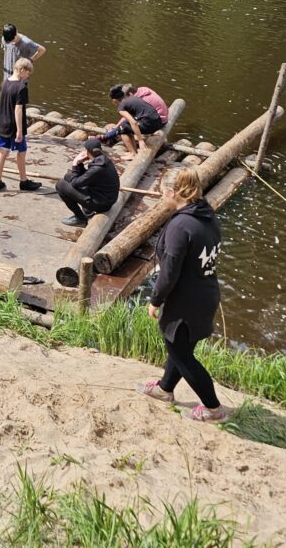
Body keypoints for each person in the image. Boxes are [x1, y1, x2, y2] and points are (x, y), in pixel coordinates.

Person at [137, 168, 226, 423]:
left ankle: (213, 408)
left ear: (172, 192)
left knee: (181, 354)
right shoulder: (208, 217)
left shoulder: (180, 225)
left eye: (163, 193)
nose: (162, 198)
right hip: (206, 293)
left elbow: (170, 271)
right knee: (181, 347)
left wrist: (156, 300)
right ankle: (165, 389)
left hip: (186, 301)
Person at [0, 58, 41, 193]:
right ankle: (23, 181)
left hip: (2, 124)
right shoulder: (21, 87)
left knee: (2, 152)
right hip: (14, 126)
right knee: (21, 151)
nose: (28, 76)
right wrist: (20, 131)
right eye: (28, 73)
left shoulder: (4, 83)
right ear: (22, 70)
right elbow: (18, 109)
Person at [54, 138, 120, 227]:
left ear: (88, 152)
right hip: (103, 196)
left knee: (60, 185)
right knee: (68, 176)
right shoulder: (103, 160)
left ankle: (80, 218)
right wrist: (80, 164)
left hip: (102, 203)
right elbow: (85, 178)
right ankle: (87, 210)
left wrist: (75, 163)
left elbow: (75, 183)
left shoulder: (98, 168)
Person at [103, 83, 163, 158]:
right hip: (158, 122)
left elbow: (133, 122)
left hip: (150, 126)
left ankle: (132, 153)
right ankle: (134, 151)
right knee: (126, 125)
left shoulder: (121, 107)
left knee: (123, 128)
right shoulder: (133, 98)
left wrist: (141, 141)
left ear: (114, 101)